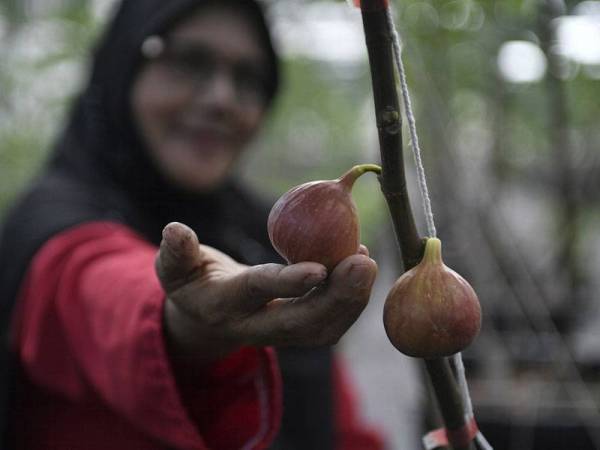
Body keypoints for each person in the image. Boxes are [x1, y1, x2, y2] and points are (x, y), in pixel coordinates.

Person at [0, 0, 385, 449]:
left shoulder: (266, 236)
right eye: (189, 61)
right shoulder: (51, 219)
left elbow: (342, 429)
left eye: (248, 78)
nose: (222, 98)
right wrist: (181, 316)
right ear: (123, 67)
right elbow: (97, 285)